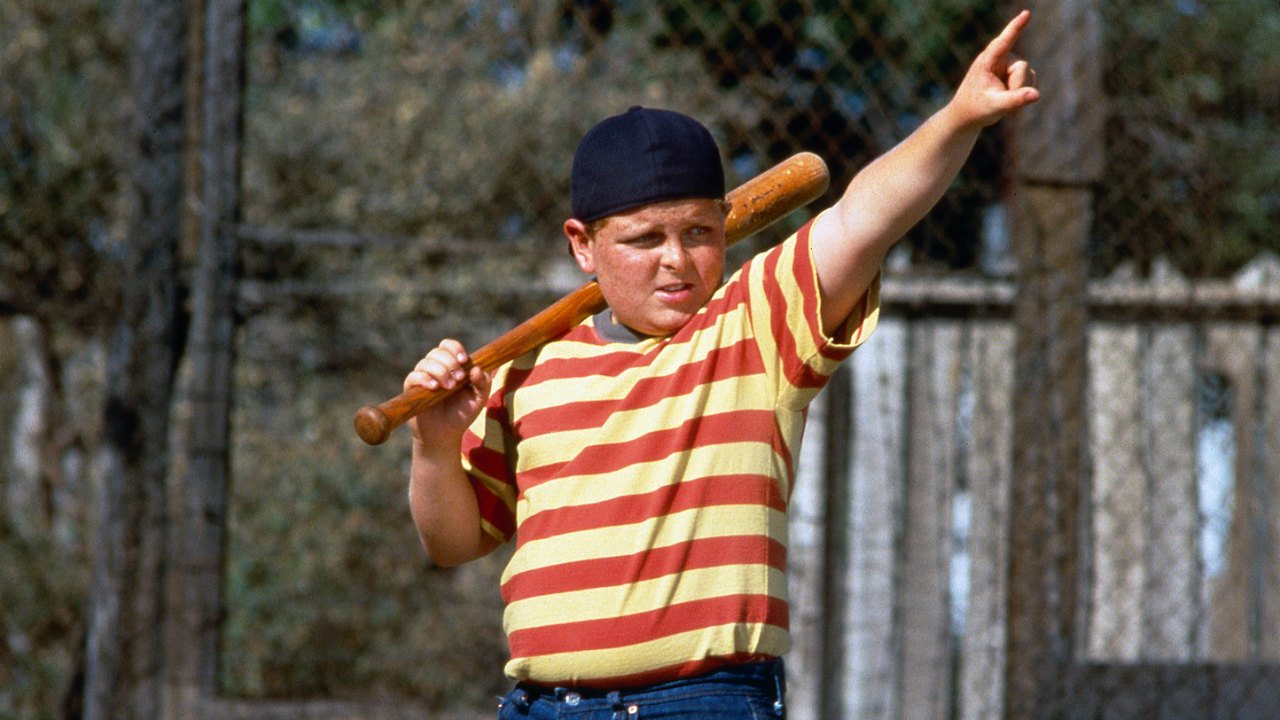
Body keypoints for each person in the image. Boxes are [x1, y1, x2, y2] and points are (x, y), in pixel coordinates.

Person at [403, 11, 1039, 719]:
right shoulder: (529, 374)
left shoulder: (755, 325)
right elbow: (453, 540)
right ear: (583, 246)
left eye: (699, 233)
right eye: (645, 240)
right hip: (544, 707)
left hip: (704, 702)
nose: (676, 260)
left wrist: (957, 119)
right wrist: (433, 442)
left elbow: (865, 216)